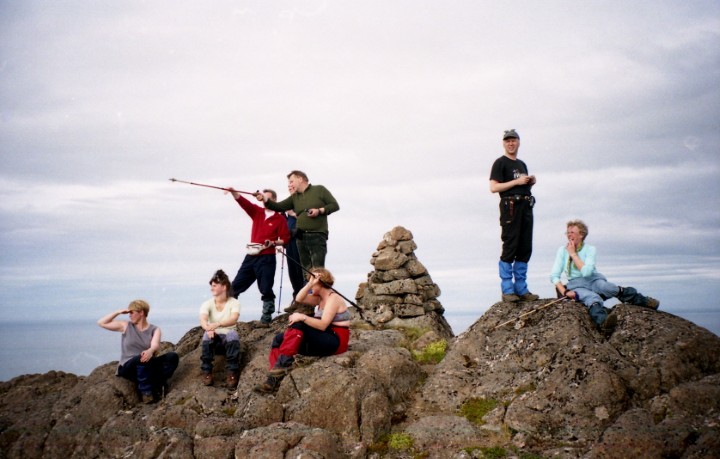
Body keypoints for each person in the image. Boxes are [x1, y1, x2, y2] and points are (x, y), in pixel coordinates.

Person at [550, 219, 660, 330]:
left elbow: (587, 272)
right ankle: (604, 322)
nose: (569, 235)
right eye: (567, 232)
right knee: (591, 298)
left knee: (608, 288)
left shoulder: (590, 249)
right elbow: (554, 276)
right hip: (576, 284)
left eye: (572, 232)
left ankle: (642, 300)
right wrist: (565, 292)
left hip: (593, 279)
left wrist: (573, 254)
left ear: (581, 235)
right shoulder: (562, 250)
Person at [254, 268, 351, 393]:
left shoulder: (333, 298)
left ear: (320, 282)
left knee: (299, 322)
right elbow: (299, 299)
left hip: (336, 341)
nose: (310, 285)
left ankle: (283, 364)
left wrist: (302, 317)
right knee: (279, 339)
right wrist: (310, 284)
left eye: (312, 282)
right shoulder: (320, 298)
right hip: (325, 337)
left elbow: (322, 325)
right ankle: (273, 380)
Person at [489, 129, 539, 303]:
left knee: (525, 247)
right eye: (508, 141)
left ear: (519, 142)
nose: (511, 143)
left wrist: (529, 183)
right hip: (510, 207)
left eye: (513, 140)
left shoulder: (521, 164)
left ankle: (521, 289)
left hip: (526, 206)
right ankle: (507, 289)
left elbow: (520, 186)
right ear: (504, 143)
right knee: (510, 245)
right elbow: (494, 187)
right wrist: (517, 181)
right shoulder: (500, 163)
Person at [255, 170, 339, 273]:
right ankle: (307, 284)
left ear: (300, 179)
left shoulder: (319, 189)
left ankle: (319, 283)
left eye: (291, 181)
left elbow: (334, 205)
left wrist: (319, 210)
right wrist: (264, 199)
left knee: (318, 272)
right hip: (301, 238)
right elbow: (277, 206)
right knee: (306, 272)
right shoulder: (294, 197)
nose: (290, 185)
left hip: (317, 236)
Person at [228, 187, 291, 324]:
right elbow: (243, 202)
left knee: (266, 288)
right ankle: (228, 316)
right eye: (263, 197)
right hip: (251, 256)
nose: (264, 200)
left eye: (267, 198)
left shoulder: (280, 219)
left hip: (267, 257)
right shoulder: (257, 212)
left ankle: (266, 318)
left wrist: (273, 242)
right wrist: (233, 191)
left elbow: (285, 239)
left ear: (274, 200)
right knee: (235, 286)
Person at [98, 300, 179, 404]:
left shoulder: (154, 329)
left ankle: (157, 383)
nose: (129, 315)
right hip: (128, 366)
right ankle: (146, 393)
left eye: (132, 312)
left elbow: (155, 344)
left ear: (141, 313)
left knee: (172, 356)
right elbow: (101, 323)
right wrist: (118, 312)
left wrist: (150, 351)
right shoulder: (125, 326)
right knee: (142, 357)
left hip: (147, 362)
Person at [199, 270, 242, 388]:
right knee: (207, 335)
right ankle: (207, 372)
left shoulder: (234, 302)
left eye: (214, 285)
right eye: (211, 286)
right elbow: (203, 320)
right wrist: (208, 329)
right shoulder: (207, 304)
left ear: (224, 287)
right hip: (215, 340)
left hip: (228, 341)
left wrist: (217, 324)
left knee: (232, 334)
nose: (211, 288)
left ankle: (232, 373)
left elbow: (233, 319)